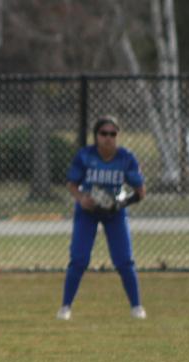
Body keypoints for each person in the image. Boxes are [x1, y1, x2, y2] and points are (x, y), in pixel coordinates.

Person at [58, 115, 146, 321]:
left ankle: (137, 307)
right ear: (96, 136)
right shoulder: (85, 156)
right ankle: (65, 307)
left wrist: (119, 203)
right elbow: (71, 183)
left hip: (114, 214)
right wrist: (81, 198)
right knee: (78, 259)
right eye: (103, 133)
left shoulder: (126, 158)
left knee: (124, 260)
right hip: (87, 212)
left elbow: (140, 191)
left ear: (118, 136)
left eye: (112, 134)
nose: (108, 138)